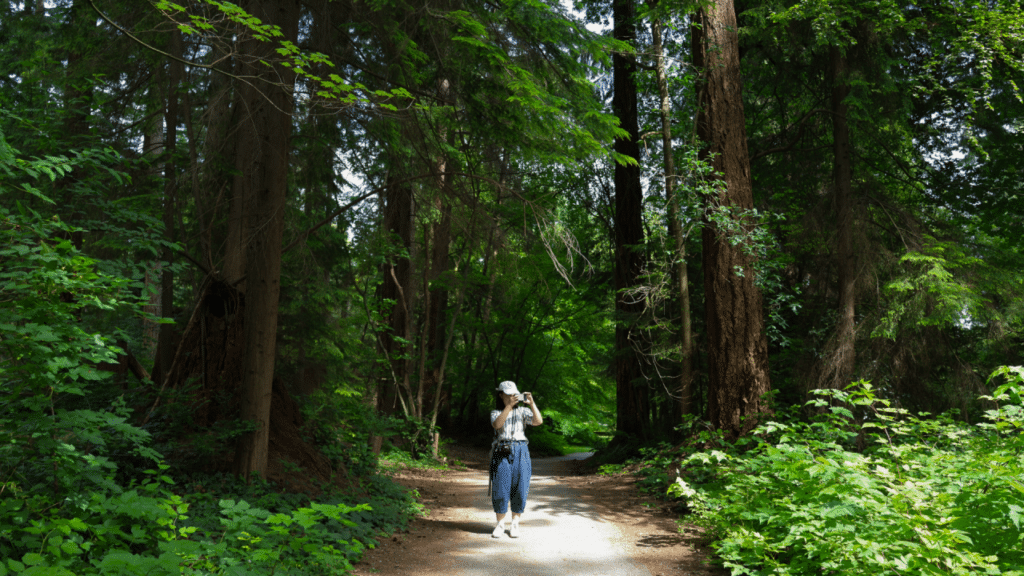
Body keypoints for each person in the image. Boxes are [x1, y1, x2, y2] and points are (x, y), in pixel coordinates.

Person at [488, 380, 543, 538]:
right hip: (502, 450)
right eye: (508, 394)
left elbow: (538, 421)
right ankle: (500, 524)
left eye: (514, 394)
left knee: (521, 486)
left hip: (521, 449)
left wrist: (532, 404)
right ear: (501, 395)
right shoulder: (496, 412)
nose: (512, 396)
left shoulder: (523, 412)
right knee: (500, 486)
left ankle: (515, 523)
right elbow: (497, 425)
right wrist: (508, 407)